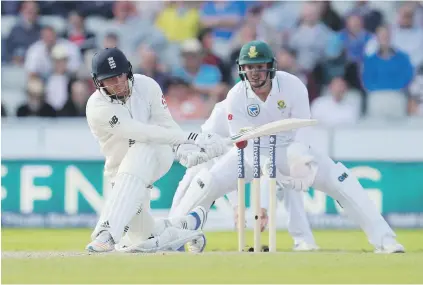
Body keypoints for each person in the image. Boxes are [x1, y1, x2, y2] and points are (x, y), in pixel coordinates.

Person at [171, 41, 405, 254]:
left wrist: (300, 161)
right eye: (249, 67)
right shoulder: (235, 96)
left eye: (259, 66)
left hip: (290, 148)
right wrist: (257, 205)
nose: (254, 73)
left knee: (342, 179)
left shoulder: (293, 86)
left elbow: (302, 131)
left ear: (271, 67)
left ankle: (385, 240)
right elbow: (244, 144)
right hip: (252, 153)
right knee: (206, 182)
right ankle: (170, 237)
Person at [85, 47, 227, 253]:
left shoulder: (147, 85)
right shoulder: (97, 107)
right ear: (99, 82)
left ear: (128, 72)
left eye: (120, 76)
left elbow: (165, 124)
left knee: (143, 147)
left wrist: (182, 148)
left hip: (156, 155)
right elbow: (140, 131)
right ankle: (186, 225)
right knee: (141, 236)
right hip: (120, 173)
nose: (118, 84)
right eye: (110, 80)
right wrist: (192, 138)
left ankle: (106, 233)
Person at [169, 99, 318, 252]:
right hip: (211, 158)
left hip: (254, 156)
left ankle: (303, 240)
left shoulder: (271, 112)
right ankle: (174, 237)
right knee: (196, 184)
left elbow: (269, 163)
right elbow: (218, 162)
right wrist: (237, 206)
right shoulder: (222, 112)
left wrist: (262, 208)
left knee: (290, 180)